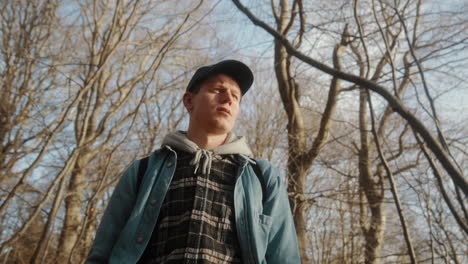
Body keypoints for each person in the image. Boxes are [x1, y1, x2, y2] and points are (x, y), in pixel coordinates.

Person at [86, 60, 300, 264]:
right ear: (189, 101)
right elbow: (102, 253)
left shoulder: (262, 177)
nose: (229, 99)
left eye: (236, 96)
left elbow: (284, 256)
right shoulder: (143, 171)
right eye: (218, 90)